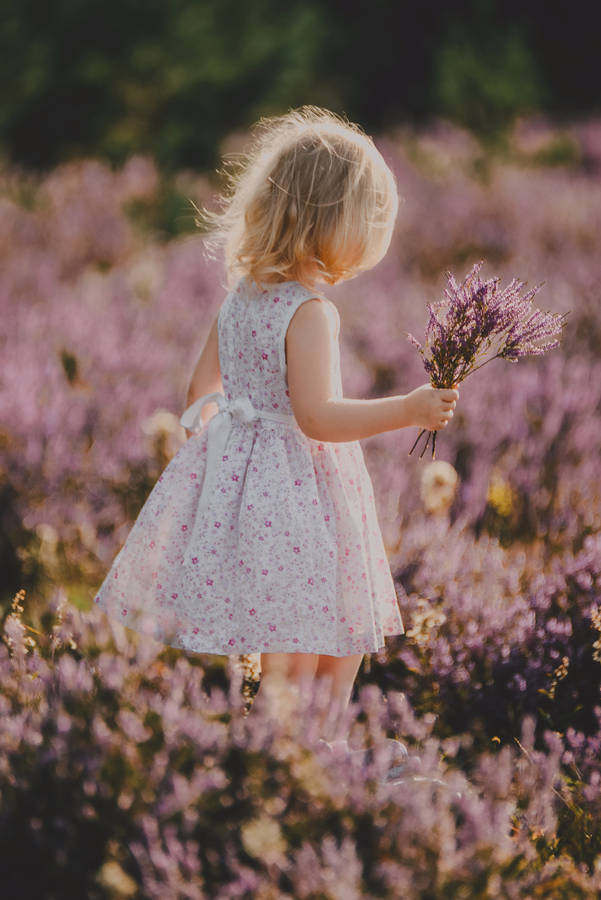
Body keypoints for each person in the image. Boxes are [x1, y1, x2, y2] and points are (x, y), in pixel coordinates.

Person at [92, 105, 458, 775]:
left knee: (281, 636)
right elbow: (317, 417)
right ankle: (316, 756)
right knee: (335, 621)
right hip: (302, 490)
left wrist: (227, 434)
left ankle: (277, 753)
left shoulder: (243, 295)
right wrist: (408, 408)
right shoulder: (309, 311)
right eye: (369, 224)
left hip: (253, 487)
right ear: (334, 222)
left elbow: (199, 389)